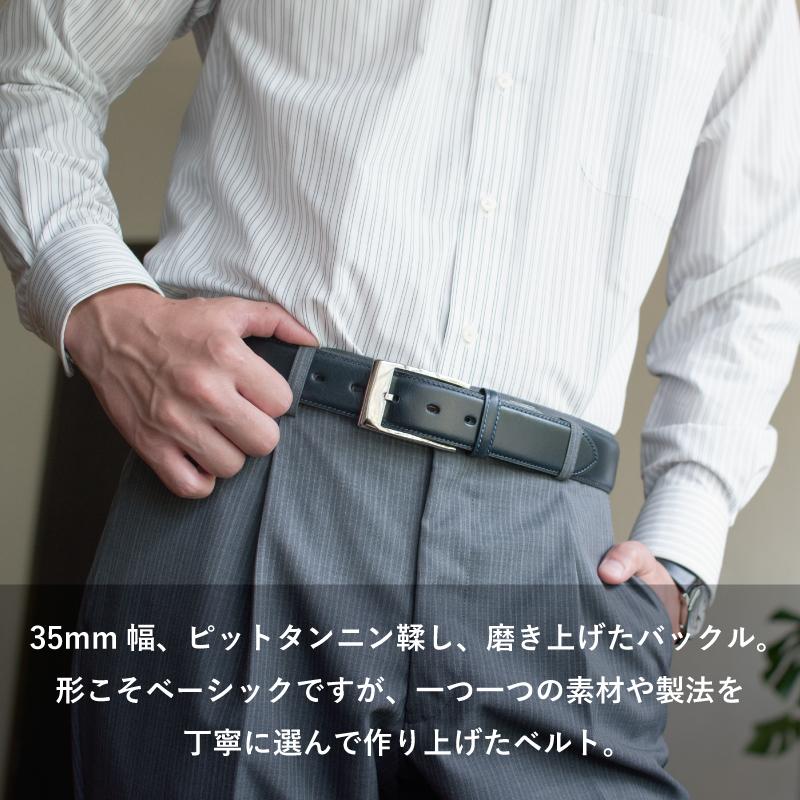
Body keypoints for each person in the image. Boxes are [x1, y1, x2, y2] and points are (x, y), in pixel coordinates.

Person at [1, 1, 799, 797]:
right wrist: (107, 310)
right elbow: (36, 70)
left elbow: (753, 276)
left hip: (554, 555)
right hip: (259, 475)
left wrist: (683, 545)